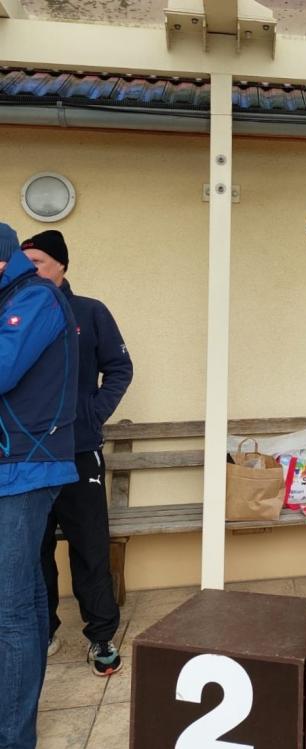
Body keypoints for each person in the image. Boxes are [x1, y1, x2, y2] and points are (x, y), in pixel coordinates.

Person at [22, 230, 133, 677]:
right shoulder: (13, 315)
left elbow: (119, 368)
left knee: (89, 548)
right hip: (28, 459)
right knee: (35, 550)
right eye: (24, 262)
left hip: (78, 452)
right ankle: (43, 630)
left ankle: (101, 635)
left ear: (62, 266)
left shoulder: (89, 312)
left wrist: (92, 414)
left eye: (38, 261)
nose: (29, 270)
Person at [0, 222, 78, 749]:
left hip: (24, 469)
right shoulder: (16, 298)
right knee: (23, 603)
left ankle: (12, 737)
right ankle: (16, 728)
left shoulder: (35, 299)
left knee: (8, 612)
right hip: (17, 468)